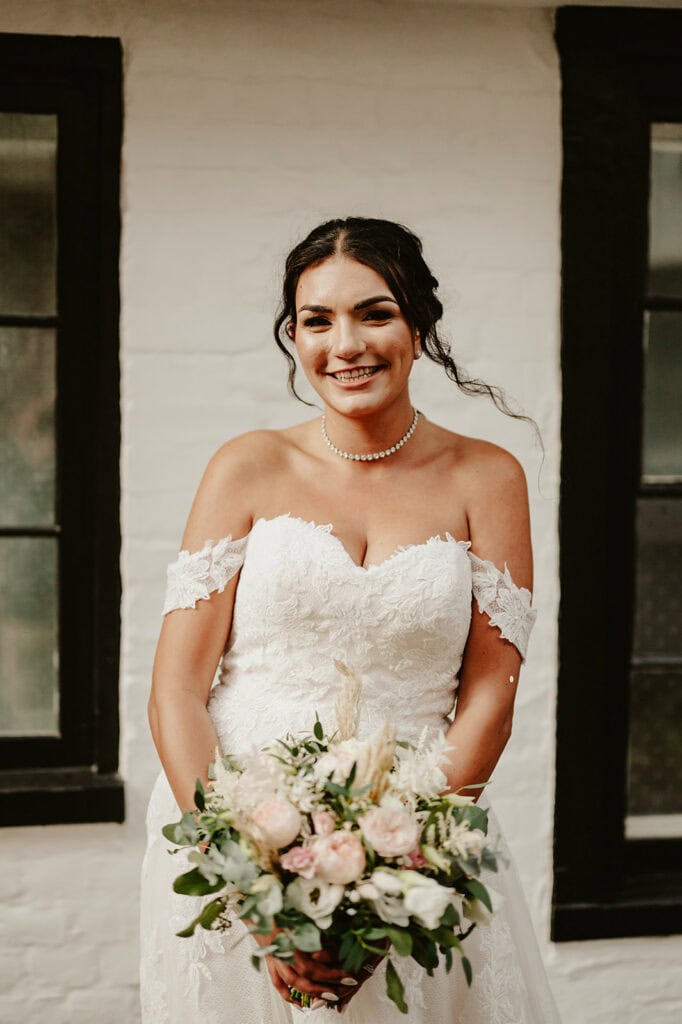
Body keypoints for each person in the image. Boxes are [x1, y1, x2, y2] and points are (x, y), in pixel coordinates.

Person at [140, 217, 561, 1023]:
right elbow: (176, 692)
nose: (346, 345)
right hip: (233, 833)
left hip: (419, 838)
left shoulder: (489, 477)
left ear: (418, 324)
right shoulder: (246, 466)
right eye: (317, 320)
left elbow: (490, 700)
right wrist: (248, 878)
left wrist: (399, 867)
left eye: (375, 313)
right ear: (293, 336)